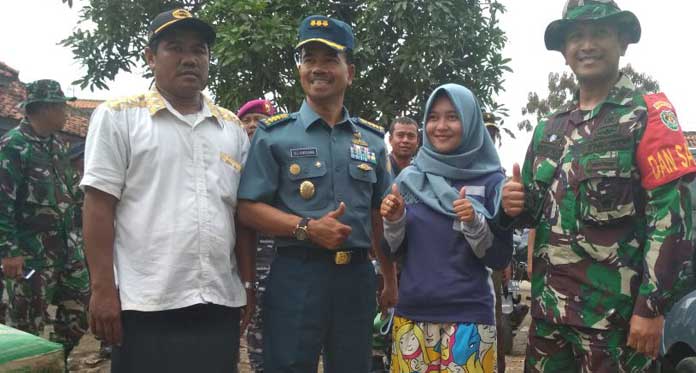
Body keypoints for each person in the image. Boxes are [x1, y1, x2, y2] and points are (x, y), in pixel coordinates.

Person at [500, 1, 696, 371]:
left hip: (616, 325)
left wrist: (651, 308)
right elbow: (531, 212)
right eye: (576, 36)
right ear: (564, 52)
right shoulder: (548, 129)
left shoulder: (647, 115)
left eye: (600, 33)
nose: (587, 44)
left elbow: (673, 220)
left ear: (622, 43)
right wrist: (511, 203)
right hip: (548, 320)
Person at [81, 9, 255, 372]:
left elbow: (240, 215)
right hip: (146, 302)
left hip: (218, 300)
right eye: (174, 48)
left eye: (200, 50)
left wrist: (247, 281)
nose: (190, 58)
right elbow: (98, 205)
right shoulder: (119, 116)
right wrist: (102, 289)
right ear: (150, 57)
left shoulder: (232, 128)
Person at [237, 15, 398, 372]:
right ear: (300, 70)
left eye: (330, 59)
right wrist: (305, 227)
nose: (318, 68)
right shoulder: (275, 135)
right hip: (296, 274)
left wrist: (389, 277)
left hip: (356, 279)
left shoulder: (372, 141)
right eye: (309, 59)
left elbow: (377, 218)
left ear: (350, 72)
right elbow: (247, 208)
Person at [381, 84, 512, 373]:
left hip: (469, 318)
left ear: (470, 121)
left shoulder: (492, 181)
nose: (441, 126)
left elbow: (499, 257)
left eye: (452, 117)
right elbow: (393, 251)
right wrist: (394, 220)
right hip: (413, 315)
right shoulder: (408, 180)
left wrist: (473, 223)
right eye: (434, 117)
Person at [0, 79, 90, 361]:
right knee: (27, 324)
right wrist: (9, 253)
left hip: (67, 252)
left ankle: (55, 362)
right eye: (61, 106)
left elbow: (70, 195)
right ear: (44, 108)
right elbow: (3, 203)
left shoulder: (58, 145)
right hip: (30, 255)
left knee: (79, 312)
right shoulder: (14, 146)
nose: (66, 112)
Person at [237, 98, 277, 373]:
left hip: (277, 258)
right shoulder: (230, 161)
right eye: (247, 120)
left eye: (259, 120)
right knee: (253, 331)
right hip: (239, 259)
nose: (252, 125)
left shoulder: (279, 159)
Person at [483, 111, 510, 372]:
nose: (490, 138)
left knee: (496, 318)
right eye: (486, 133)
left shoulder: (497, 173)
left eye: (493, 134)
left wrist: (507, 262)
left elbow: (505, 224)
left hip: (494, 258)